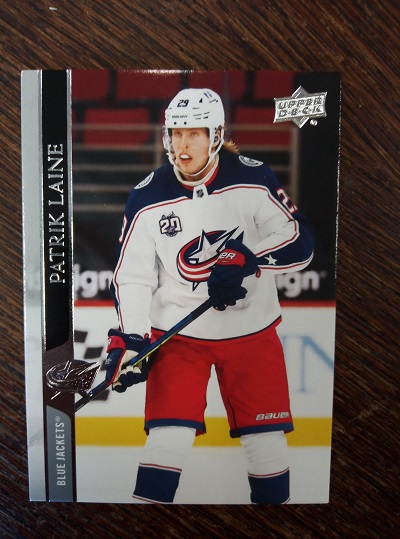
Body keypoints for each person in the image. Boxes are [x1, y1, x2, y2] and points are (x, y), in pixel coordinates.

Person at [105, 88, 314, 504]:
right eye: (176, 133)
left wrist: (250, 259)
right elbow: (133, 277)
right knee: (167, 437)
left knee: (266, 442)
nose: (182, 145)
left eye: (194, 133)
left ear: (215, 135)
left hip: (252, 332)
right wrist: (132, 339)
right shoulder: (147, 195)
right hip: (179, 338)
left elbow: (300, 241)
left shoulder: (253, 178)